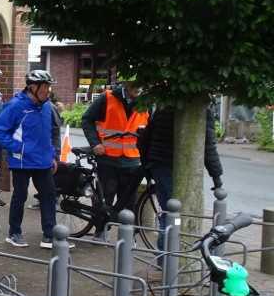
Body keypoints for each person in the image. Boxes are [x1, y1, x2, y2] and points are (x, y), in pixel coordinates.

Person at [0, 70, 60, 249]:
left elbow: (50, 133)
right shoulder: (16, 105)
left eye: (49, 87)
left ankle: (49, 235)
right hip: (22, 161)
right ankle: (14, 233)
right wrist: (19, 148)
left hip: (43, 160)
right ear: (32, 87)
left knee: (49, 196)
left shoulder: (47, 106)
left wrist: (53, 155)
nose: (48, 91)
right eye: (44, 87)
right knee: (20, 196)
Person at [137, 103, 224, 235]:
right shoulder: (201, 111)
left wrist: (148, 165)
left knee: (169, 211)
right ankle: (167, 246)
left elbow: (145, 138)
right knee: (173, 214)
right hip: (174, 167)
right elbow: (209, 147)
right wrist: (216, 177)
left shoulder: (164, 106)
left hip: (158, 166)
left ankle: (167, 245)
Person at [81, 76, 149, 230]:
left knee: (129, 202)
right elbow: (87, 120)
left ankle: (128, 235)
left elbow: (150, 128)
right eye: (134, 84)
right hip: (108, 158)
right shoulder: (108, 97)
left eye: (141, 84)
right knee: (106, 198)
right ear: (126, 83)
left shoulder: (146, 102)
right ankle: (100, 231)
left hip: (132, 160)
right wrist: (95, 143)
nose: (138, 87)